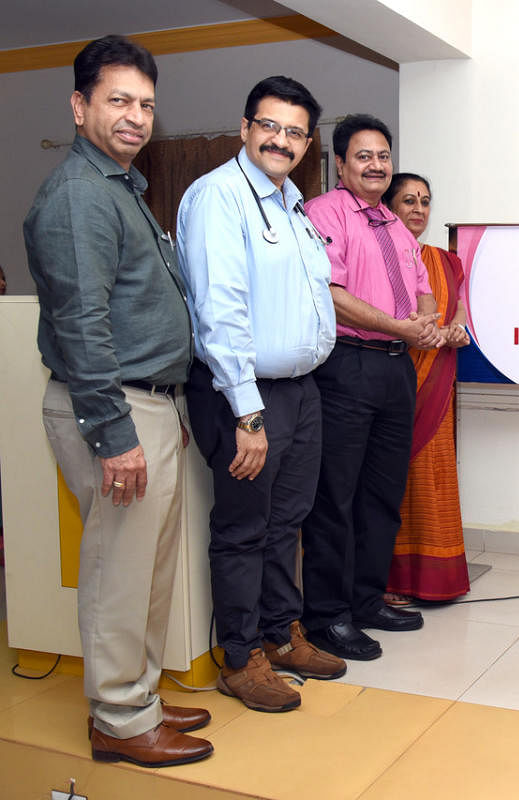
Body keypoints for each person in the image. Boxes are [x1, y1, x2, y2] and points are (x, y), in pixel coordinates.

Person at [24, 35, 212, 766]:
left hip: (148, 404)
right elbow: (82, 326)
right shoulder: (79, 196)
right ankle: (120, 721)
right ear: (80, 107)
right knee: (118, 575)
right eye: (118, 101)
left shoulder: (119, 187)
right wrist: (119, 432)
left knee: (147, 572)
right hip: (113, 409)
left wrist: (167, 406)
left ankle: (140, 697)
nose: (135, 117)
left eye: (145, 105)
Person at [177, 75, 346, 713]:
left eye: (295, 131)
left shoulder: (292, 203)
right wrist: (246, 411)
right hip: (244, 396)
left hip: (302, 391)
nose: (281, 139)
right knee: (244, 529)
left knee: (288, 521)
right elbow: (220, 310)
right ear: (246, 128)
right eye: (269, 126)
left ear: (308, 143)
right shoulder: (218, 196)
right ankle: (240, 655)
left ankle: (281, 634)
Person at [301, 116, 441, 661]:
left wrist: (425, 323)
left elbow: (423, 291)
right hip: (346, 365)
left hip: (395, 368)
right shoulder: (323, 214)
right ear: (340, 163)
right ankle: (326, 617)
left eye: (383, 156)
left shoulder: (395, 225)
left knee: (382, 494)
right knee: (334, 498)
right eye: (364, 156)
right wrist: (400, 326)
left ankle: (366, 599)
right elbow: (330, 292)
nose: (377, 165)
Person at [380, 173, 472, 604]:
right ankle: (390, 579)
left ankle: (434, 578)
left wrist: (454, 332)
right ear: (389, 205)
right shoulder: (378, 255)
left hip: (436, 382)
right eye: (408, 200)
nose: (418, 209)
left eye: (425, 201)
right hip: (393, 378)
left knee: (432, 477)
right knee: (391, 481)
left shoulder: (446, 262)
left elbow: (461, 320)